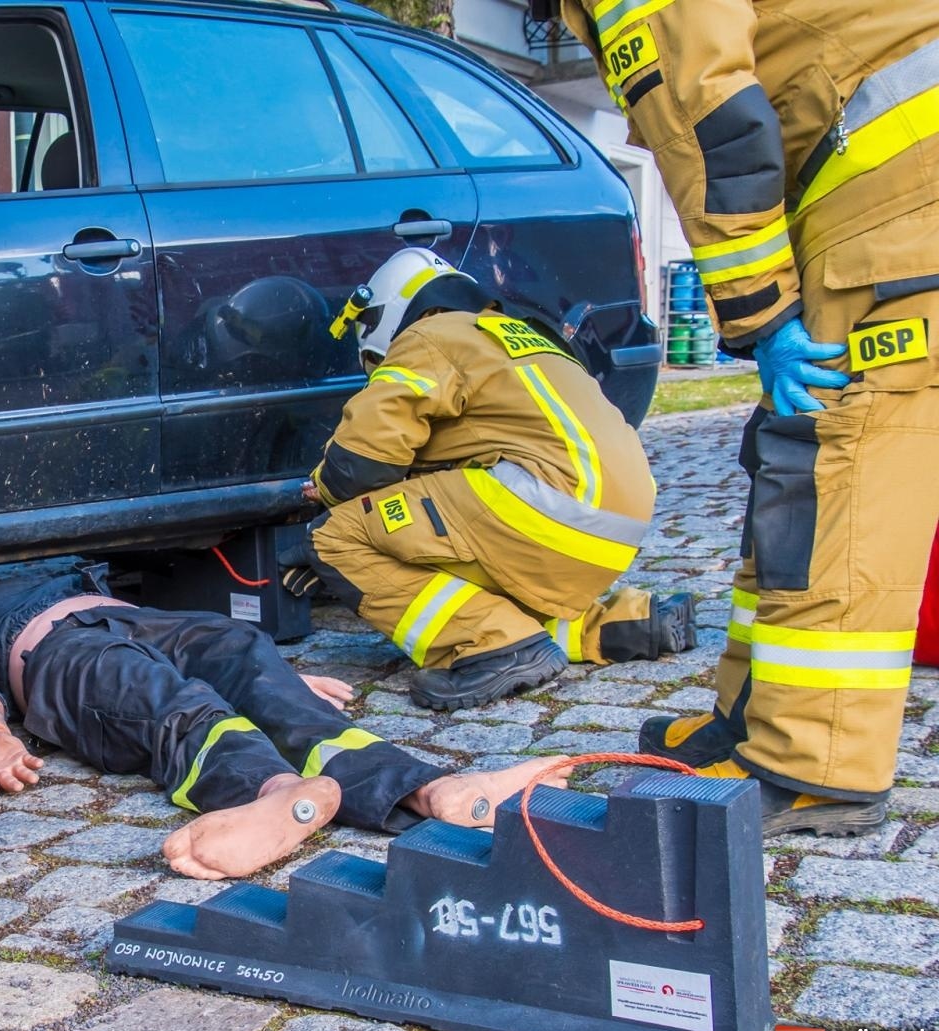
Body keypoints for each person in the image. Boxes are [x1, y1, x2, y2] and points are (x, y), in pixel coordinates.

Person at [543, 0, 939, 836]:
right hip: (891, 180)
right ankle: (755, 716)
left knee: (837, 460)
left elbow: (704, 114)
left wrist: (759, 312)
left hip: (902, 194)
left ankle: (810, 762)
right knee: (793, 458)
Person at [0, 563, 573, 881]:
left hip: (148, 624)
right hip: (60, 653)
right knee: (162, 703)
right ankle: (275, 794)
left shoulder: (51, 572)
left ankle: (429, 789)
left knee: (246, 656)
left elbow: (239, 658)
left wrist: (277, 681)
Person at [284, 247, 695, 713]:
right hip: (612, 529)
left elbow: (363, 458)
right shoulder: (513, 333)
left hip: (541, 508)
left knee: (337, 538)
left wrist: (326, 497)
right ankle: (623, 624)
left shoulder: (430, 335)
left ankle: (493, 645)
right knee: (452, 537)